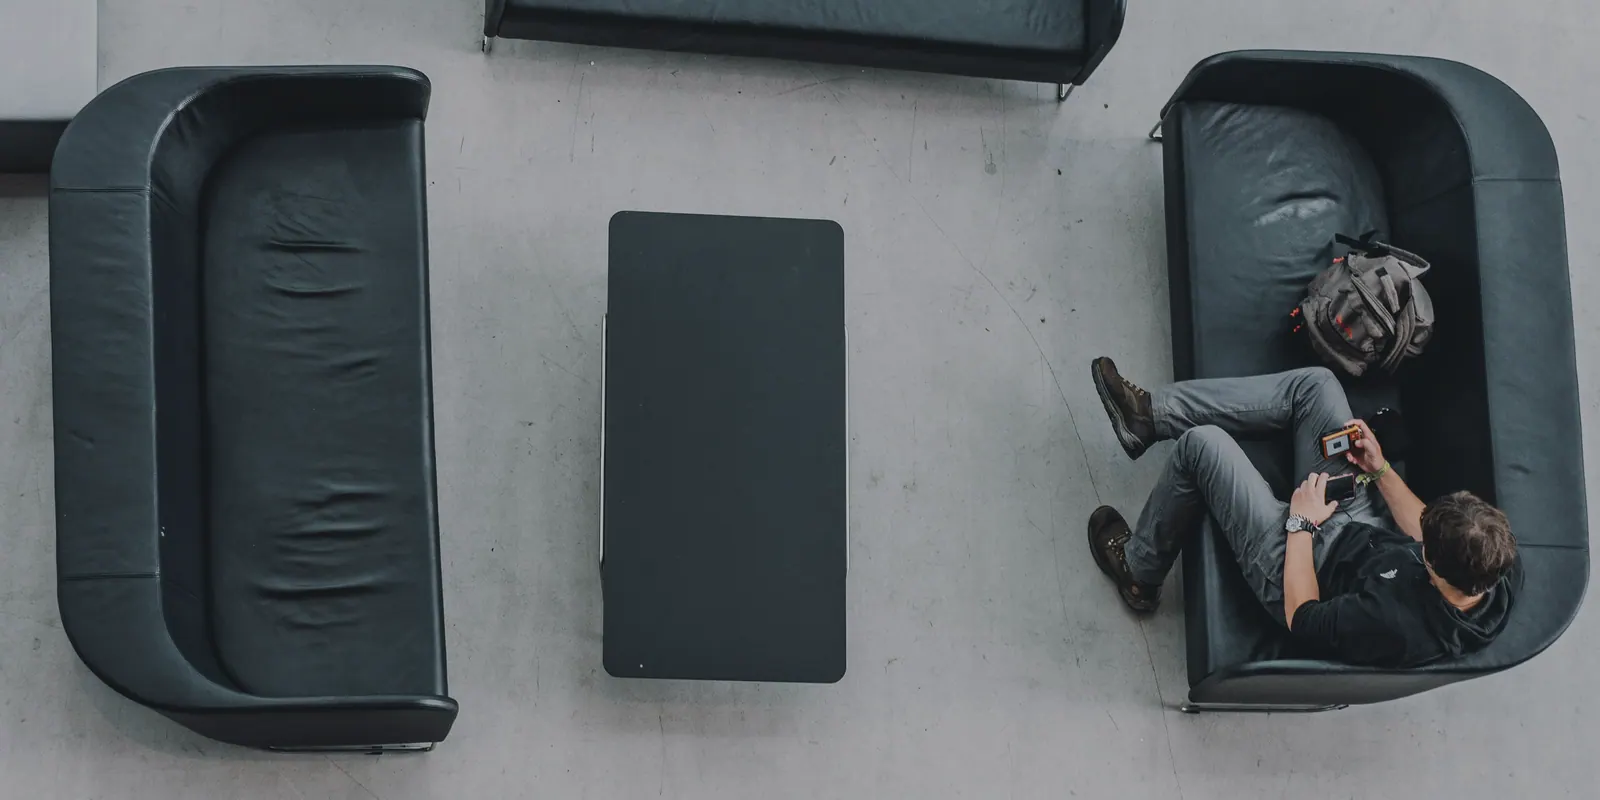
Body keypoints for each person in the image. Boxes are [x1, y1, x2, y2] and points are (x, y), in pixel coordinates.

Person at [1084, 358, 1520, 667]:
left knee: (1203, 445)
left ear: (1434, 567)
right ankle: (1147, 417)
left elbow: (1303, 617)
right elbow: (1425, 529)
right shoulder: (1496, 564)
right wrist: (1380, 467)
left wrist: (1302, 523)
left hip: (1302, 565)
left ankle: (1139, 574)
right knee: (1317, 385)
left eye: (1427, 545)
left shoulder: (1394, 625)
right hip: (1362, 527)